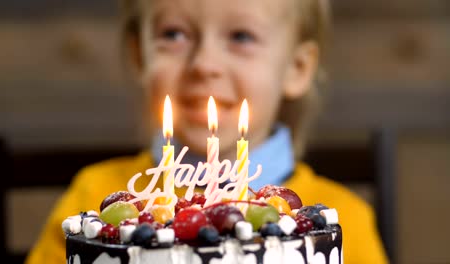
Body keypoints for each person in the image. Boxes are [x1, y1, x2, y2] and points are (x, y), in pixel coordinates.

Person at [26, 0, 388, 263]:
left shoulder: (340, 219)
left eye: (241, 36)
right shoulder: (93, 200)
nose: (204, 64)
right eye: (174, 34)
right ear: (140, 57)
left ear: (297, 67)